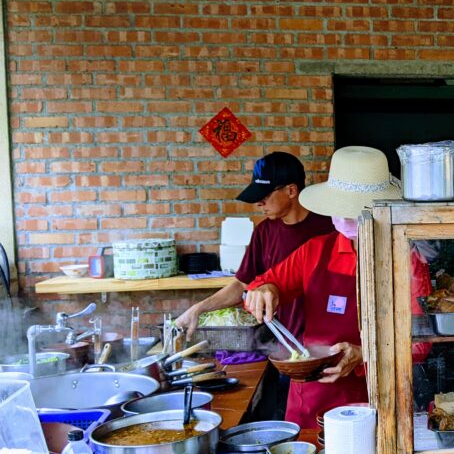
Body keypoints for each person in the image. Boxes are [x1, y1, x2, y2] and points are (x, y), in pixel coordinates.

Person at [243, 146, 431, 428]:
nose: (344, 216)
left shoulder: (407, 260)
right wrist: (264, 290)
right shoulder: (315, 251)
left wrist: (365, 353)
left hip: (376, 399)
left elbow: (420, 342)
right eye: (340, 207)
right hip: (311, 399)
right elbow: (260, 285)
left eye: (355, 210)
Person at [174, 152, 333, 419]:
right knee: (289, 418)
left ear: (291, 191)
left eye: (265, 195)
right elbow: (242, 284)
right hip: (286, 350)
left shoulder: (330, 228)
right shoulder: (264, 232)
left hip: (328, 348)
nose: (259, 203)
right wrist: (198, 309)